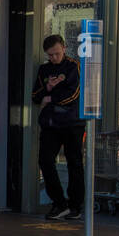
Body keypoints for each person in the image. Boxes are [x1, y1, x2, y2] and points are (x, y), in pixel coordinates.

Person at [31, 34, 85, 220]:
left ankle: (75, 205)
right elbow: (35, 95)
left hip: (72, 123)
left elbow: (74, 94)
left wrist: (50, 98)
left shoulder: (73, 66)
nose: (54, 58)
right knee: (45, 161)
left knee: (74, 163)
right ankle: (59, 203)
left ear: (63, 47)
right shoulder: (44, 69)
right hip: (50, 124)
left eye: (56, 53)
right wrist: (47, 90)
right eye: (50, 55)